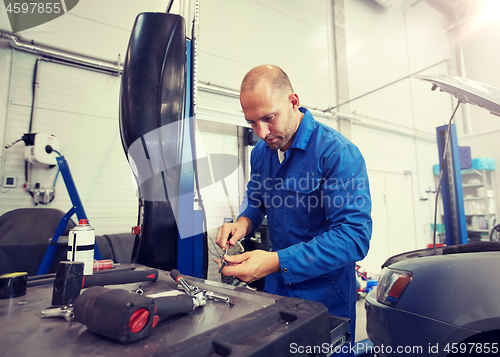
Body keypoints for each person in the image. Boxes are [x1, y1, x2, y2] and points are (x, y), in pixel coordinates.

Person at [214, 65, 372, 352]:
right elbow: (256, 201)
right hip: (276, 290)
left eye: (268, 118)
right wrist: (243, 223)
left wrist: (273, 262)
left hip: (325, 294)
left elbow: (354, 237)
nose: (261, 132)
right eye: (251, 123)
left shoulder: (337, 153)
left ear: (293, 101)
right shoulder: (262, 153)